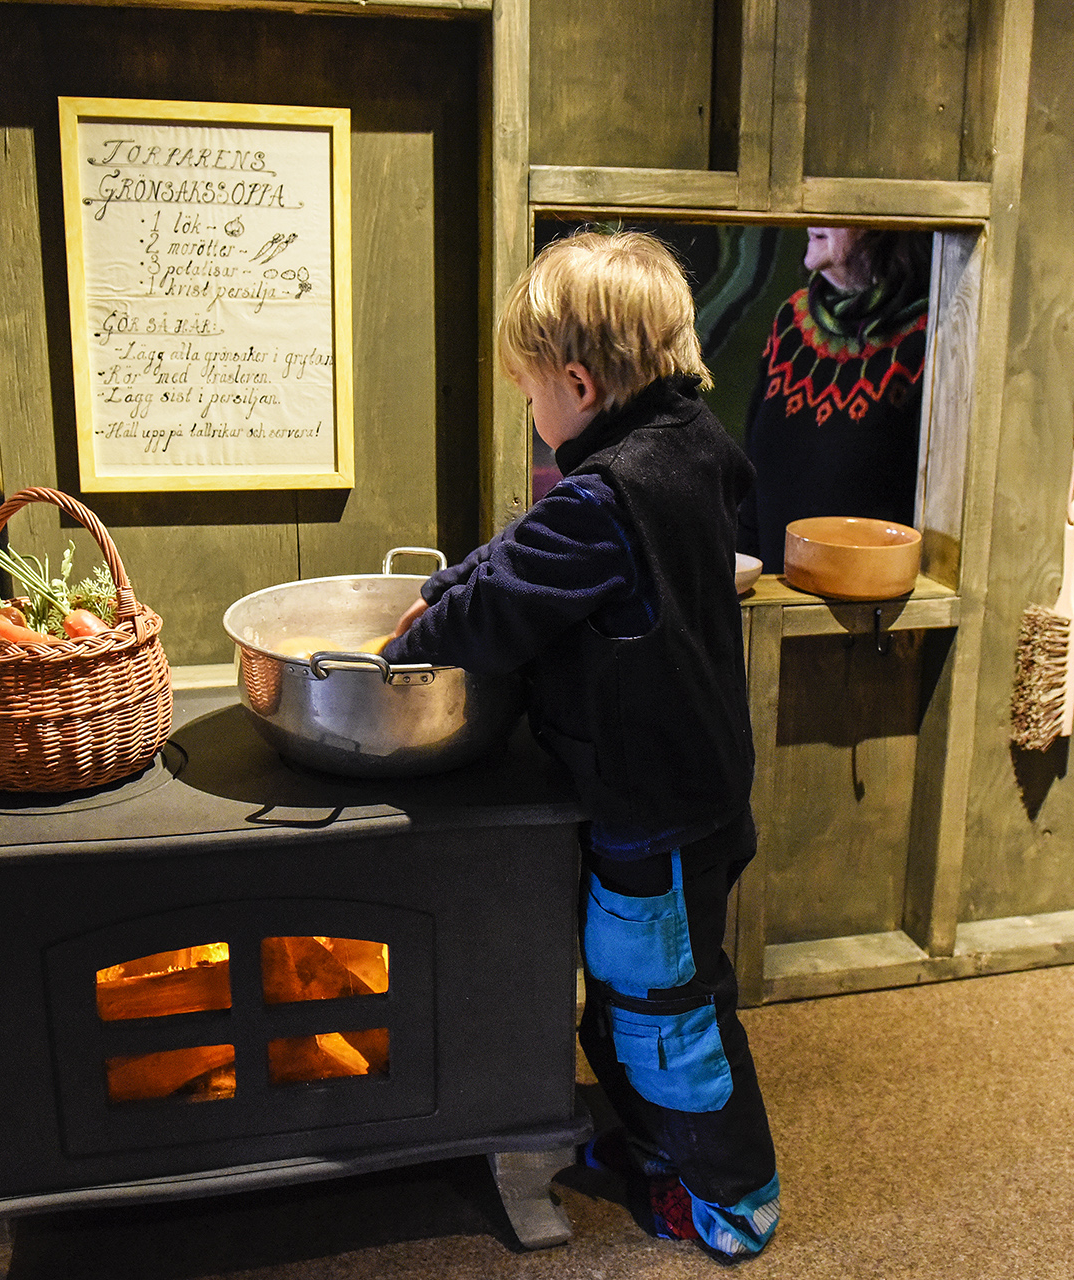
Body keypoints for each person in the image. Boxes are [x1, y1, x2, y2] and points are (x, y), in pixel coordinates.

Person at [384, 230, 781, 1262]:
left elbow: (504, 600)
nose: (530, 411)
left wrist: (412, 638)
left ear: (576, 381)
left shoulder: (609, 496)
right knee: (628, 993)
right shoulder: (683, 444)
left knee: (666, 1013)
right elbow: (523, 549)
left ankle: (733, 1197)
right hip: (681, 788)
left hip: (654, 800)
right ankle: (656, 1153)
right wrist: (439, 582)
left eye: (528, 394)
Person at [739, 226, 932, 572]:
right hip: (773, 599)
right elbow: (751, 482)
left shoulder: (928, 336)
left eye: (835, 203)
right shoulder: (791, 320)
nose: (814, 216)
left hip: (869, 607)